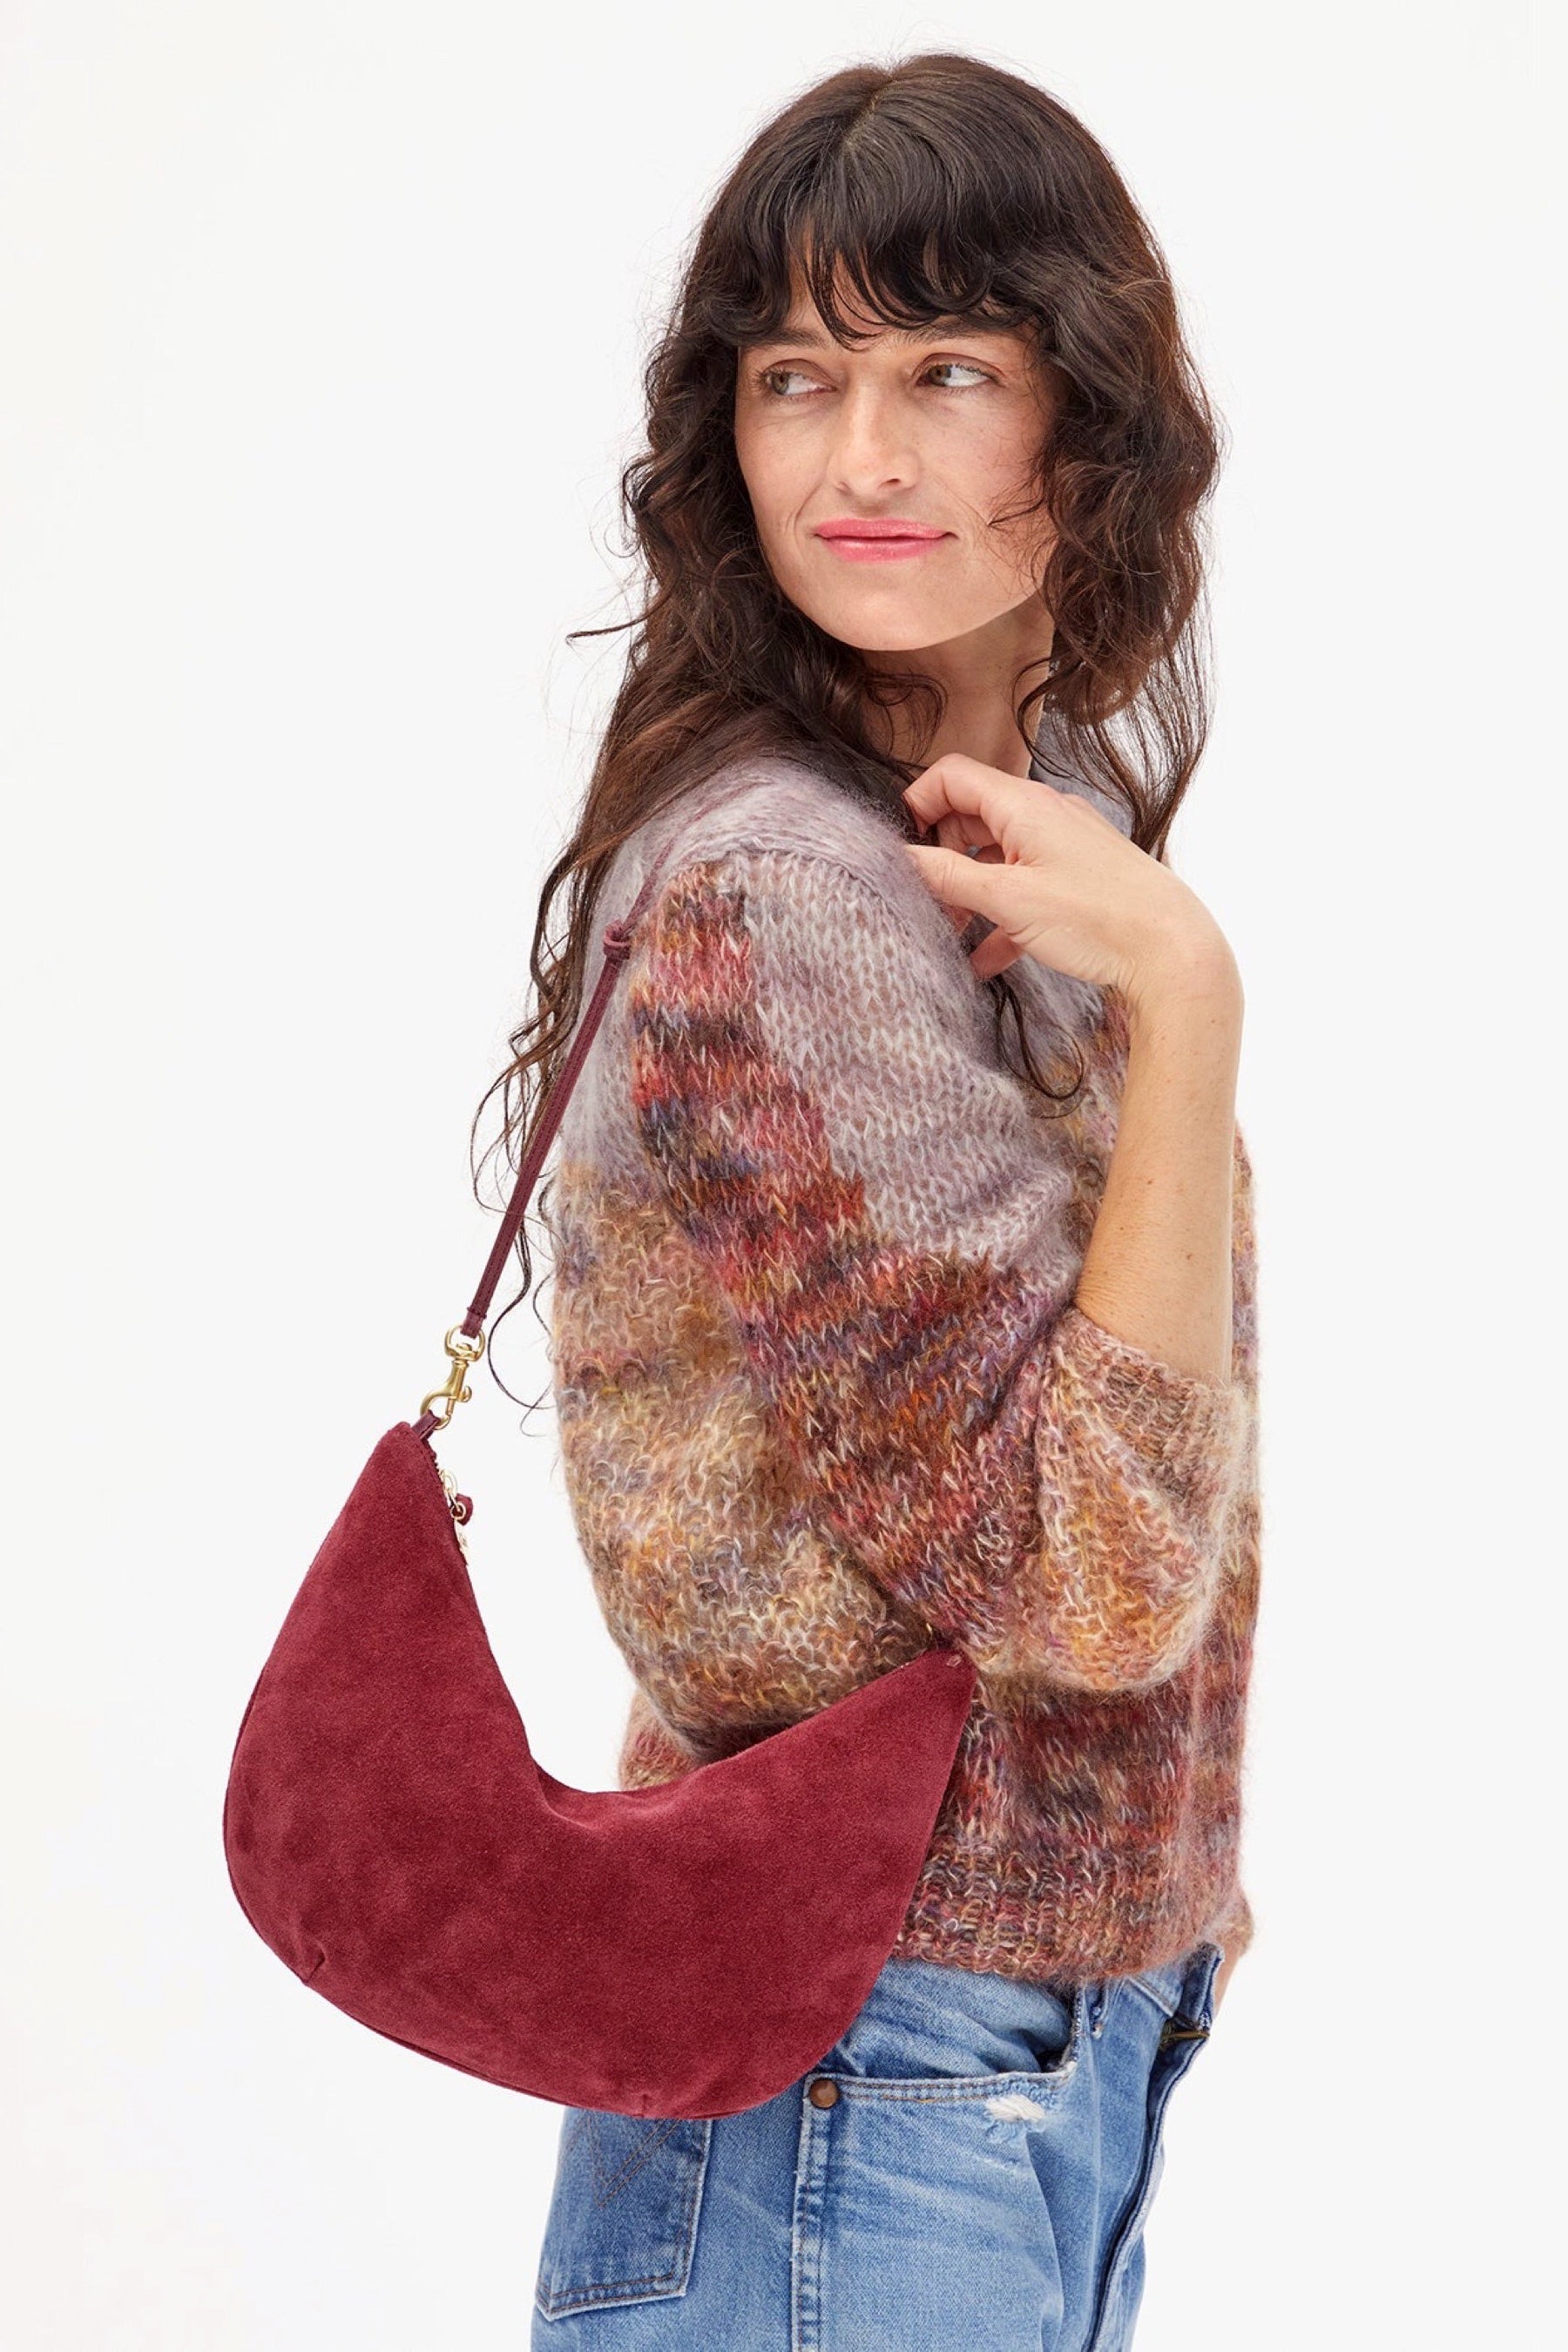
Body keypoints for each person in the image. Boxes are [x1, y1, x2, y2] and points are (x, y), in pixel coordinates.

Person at [491, 50, 1260, 2352]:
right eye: (795, 377)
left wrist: (1158, 1905)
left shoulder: (1017, 842)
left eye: (948, 370)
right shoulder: (792, 885)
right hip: (865, 2076)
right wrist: (1195, 1006)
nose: (859, 461)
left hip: (986, 2061)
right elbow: (1081, 1575)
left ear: (1086, 417)